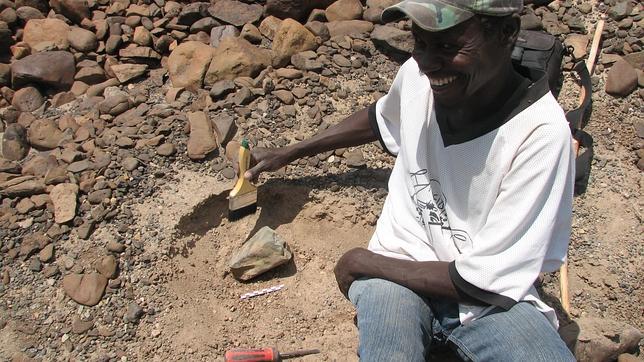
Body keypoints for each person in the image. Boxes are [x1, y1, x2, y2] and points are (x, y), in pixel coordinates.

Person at [241, 0, 576, 360]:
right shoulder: (420, 77)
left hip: (487, 305)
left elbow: (485, 282)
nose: (428, 63)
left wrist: (364, 262)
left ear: (507, 34)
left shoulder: (540, 134)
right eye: (421, 42)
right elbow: (381, 118)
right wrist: (291, 151)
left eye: (448, 46)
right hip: (395, 281)